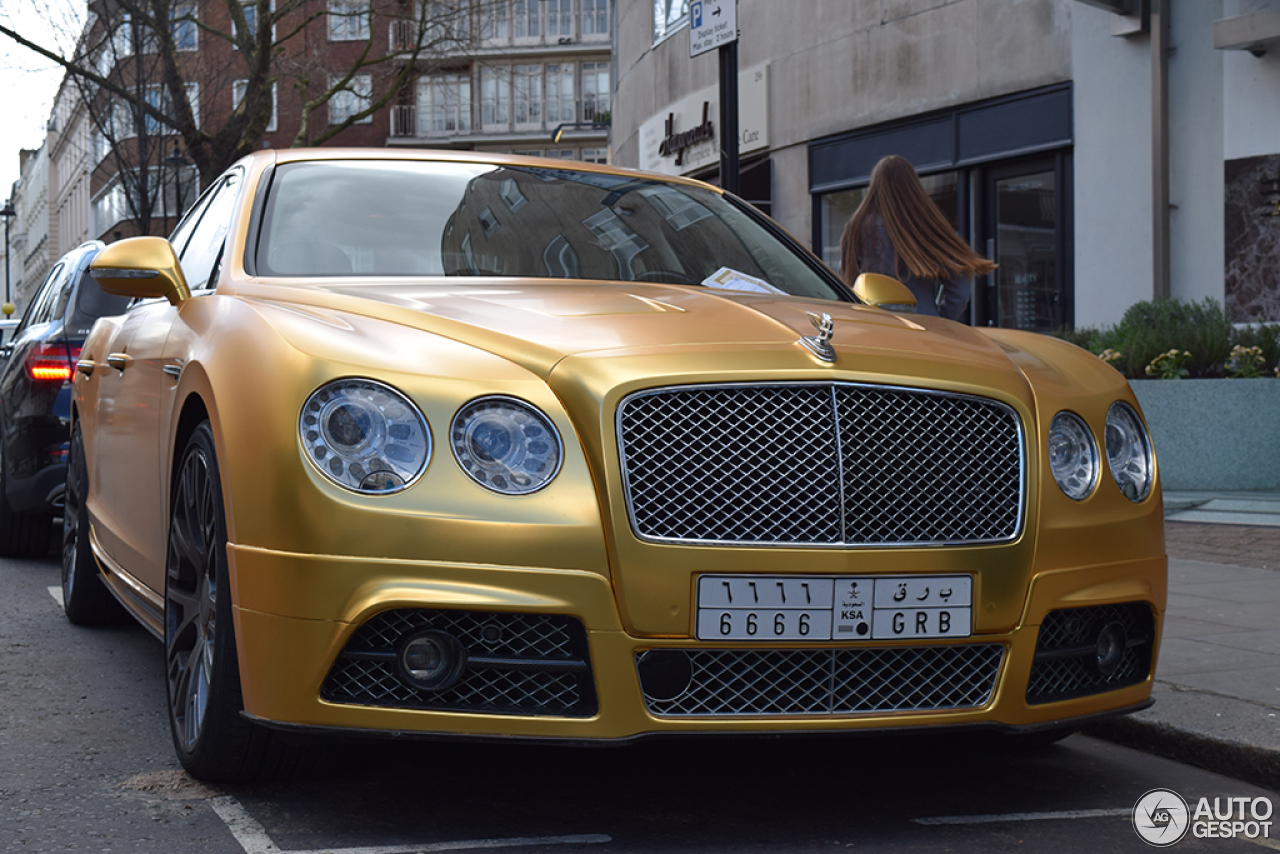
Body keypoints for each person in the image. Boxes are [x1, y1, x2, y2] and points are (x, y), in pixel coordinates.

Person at [839, 155, 996, 321]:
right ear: (913, 185)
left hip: (875, 326)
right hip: (924, 326)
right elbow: (960, 291)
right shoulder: (927, 227)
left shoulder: (857, 227)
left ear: (875, 186)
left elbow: (846, 281)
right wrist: (941, 319)